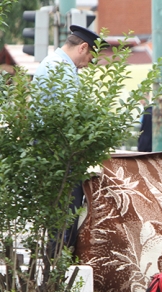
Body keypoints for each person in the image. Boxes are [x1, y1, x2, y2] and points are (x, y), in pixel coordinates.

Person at [33, 25, 106, 249]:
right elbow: (73, 116)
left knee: (61, 220)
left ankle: (56, 270)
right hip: (58, 153)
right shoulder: (60, 68)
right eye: (90, 57)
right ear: (83, 47)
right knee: (64, 219)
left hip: (52, 151)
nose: (89, 64)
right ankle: (57, 272)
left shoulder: (59, 65)